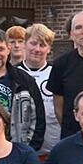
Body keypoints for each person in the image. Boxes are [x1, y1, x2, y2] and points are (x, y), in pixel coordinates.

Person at [15, 23, 60, 153]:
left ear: (49, 48)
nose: (37, 49)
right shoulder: (13, 73)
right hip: (20, 147)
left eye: (42, 45)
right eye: (33, 43)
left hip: (52, 148)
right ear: (25, 44)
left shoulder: (57, 73)